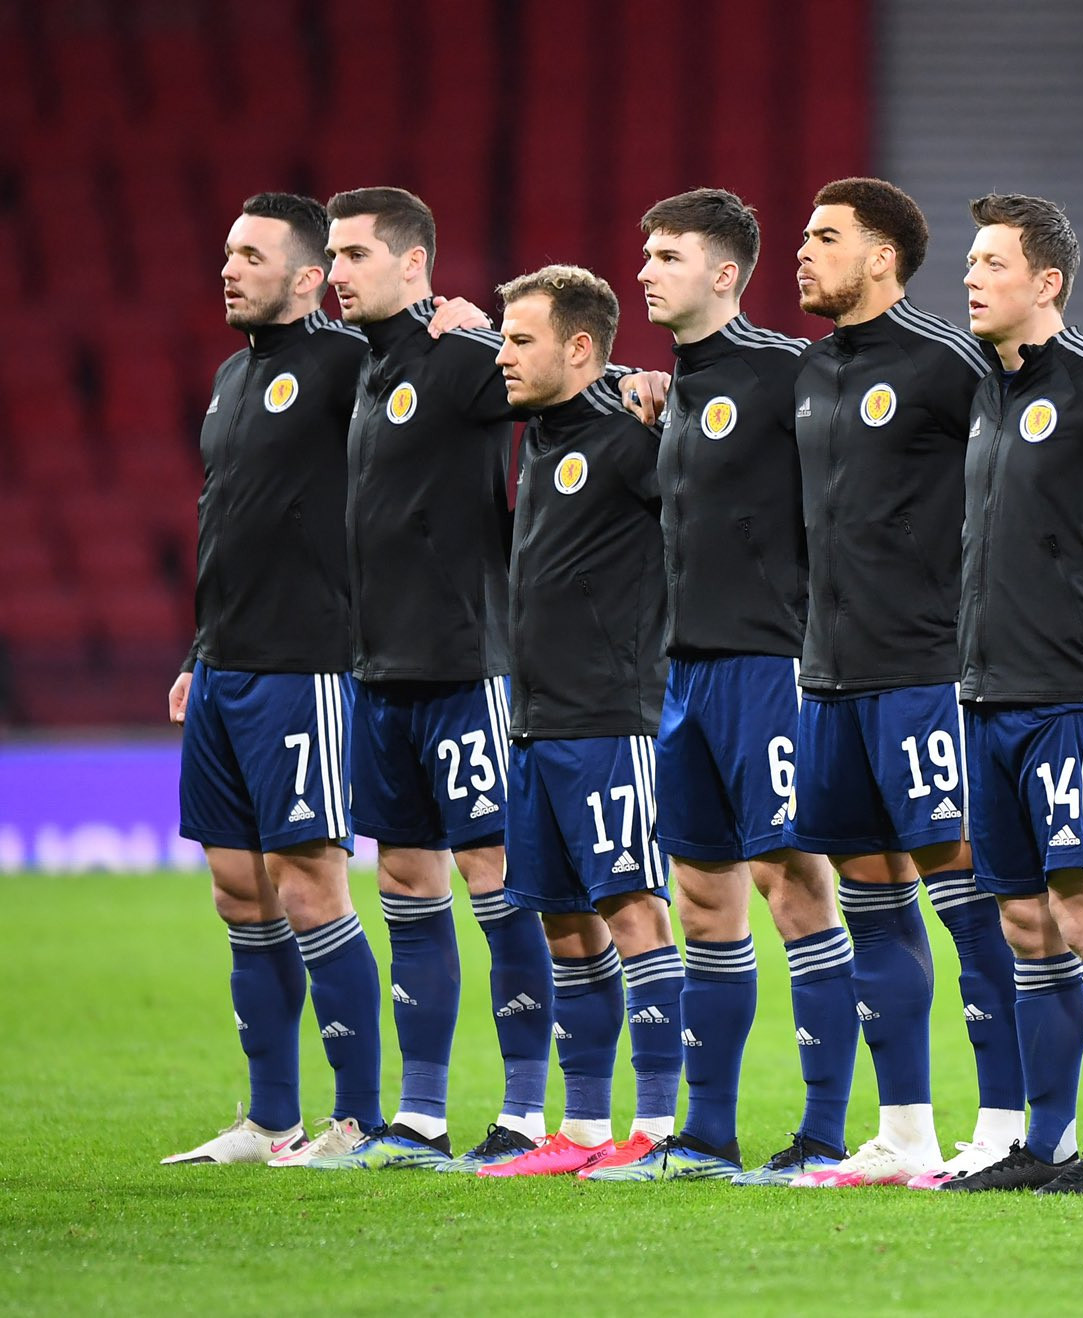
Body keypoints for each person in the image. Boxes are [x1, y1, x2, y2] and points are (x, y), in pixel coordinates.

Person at [614, 189, 860, 1184]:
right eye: (646, 253)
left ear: (724, 274)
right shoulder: (673, 390)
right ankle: (707, 1135)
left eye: (667, 255)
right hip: (683, 676)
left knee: (793, 885)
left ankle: (824, 1134)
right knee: (701, 899)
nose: (644, 271)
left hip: (772, 668)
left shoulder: (787, 376)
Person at [782, 178, 1023, 1187]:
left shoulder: (945, 364)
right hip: (828, 679)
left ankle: (1008, 1122)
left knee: (967, 901)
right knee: (871, 903)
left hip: (926, 674)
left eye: (824, 236)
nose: (803, 251)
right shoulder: (807, 371)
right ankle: (907, 1130)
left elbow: (1054, 445)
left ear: (880, 257)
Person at [309, 187, 554, 1171]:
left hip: (466, 666)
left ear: (414, 264)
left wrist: (494, 328)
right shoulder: (365, 372)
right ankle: (417, 1116)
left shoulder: (458, 357)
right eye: (331, 254)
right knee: (407, 881)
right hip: (380, 674)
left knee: (492, 878)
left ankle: (531, 1111)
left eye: (356, 254)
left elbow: (571, 383)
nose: (336, 271)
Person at [448, 264, 685, 1181]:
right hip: (537, 722)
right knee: (562, 923)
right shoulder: (541, 437)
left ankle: (662, 1131)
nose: (502, 357)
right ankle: (584, 1130)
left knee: (633, 912)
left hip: (612, 716)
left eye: (520, 341)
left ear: (580, 348)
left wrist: (667, 395)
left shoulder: (632, 437)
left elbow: (715, 519)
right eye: (503, 338)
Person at [162, 193, 383, 1167]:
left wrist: (452, 322)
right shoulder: (226, 378)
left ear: (305, 278)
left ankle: (361, 1120)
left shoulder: (348, 363)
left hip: (307, 665)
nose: (229, 267)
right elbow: (229, 522)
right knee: (235, 890)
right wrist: (193, 652)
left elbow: (447, 389)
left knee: (311, 886)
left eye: (250, 255)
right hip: (221, 666)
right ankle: (269, 1118)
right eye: (225, 251)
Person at [937, 194, 1083, 1195]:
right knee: (1023, 923)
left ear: (1047, 283)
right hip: (987, 693)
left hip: (1074, 691)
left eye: (990, 263)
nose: (970, 277)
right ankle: (1044, 1138)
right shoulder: (986, 390)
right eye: (970, 262)